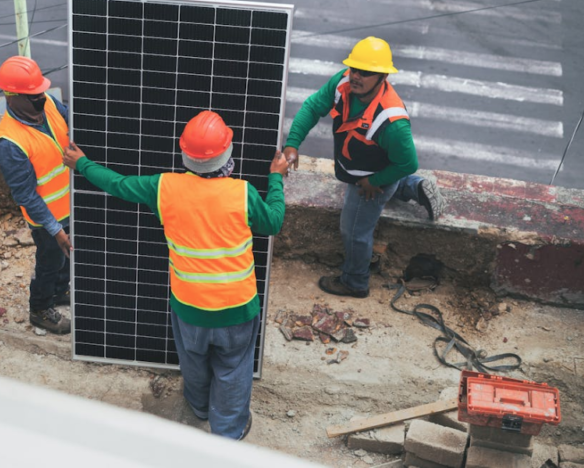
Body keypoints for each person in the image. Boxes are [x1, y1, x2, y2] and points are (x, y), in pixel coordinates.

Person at [63, 110, 288, 440]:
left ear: (185, 155)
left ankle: (198, 407)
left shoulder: (164, 187)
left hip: (189, 308)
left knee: (194, 361)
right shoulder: (243, 193)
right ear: (227, 154)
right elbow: (274, 222)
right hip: (237, 309)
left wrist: (82, 163)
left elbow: (118, 185)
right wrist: (276, 178)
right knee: (233, 369)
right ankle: (228, 431)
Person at [283, 36, 445, 299]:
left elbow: (407, 162)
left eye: (365, 72)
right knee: (388, 186)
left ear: (382, 76)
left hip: (370, 178)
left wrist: (375, 181)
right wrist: (292, 144)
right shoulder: (343, 82)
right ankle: (413, 187)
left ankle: (354, 281)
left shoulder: (391, 120)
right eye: (354, 69)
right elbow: (312, 107)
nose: (356, 76)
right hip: (360, 166)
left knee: (355, 229)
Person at [0, 56, 72, 335]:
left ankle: (61, 292)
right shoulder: (10, 144)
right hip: (46, 218)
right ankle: (40, 309)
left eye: (41, 91)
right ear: (12, 97)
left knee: (65, 258)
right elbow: (25, 195)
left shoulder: (47, 103)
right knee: (50, 262)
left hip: (69, 205)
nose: (41, 97)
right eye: (34, 95)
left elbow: (67, 117)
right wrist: (55, 229)